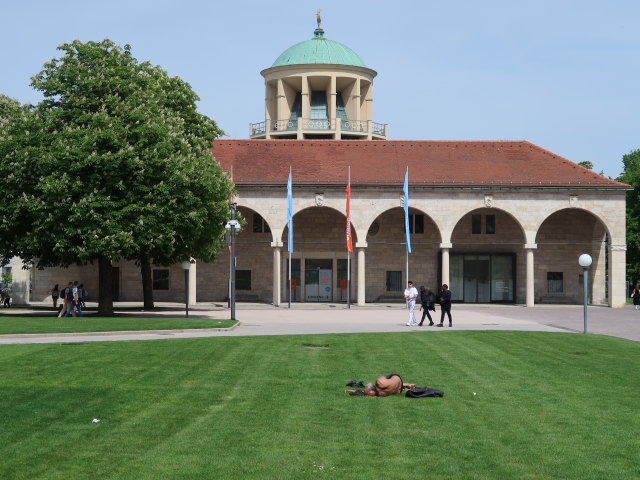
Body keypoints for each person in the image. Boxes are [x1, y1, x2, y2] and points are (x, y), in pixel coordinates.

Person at [345, 374, 416, 396]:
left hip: (398, 389)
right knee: (389, 384)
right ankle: (407, 385)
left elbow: (366, 391)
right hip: (397, 380)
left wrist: (351, 390)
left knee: (388, 385)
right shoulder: (379, 382)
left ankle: (406, 385)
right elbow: (366, 391)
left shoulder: (381, 392)